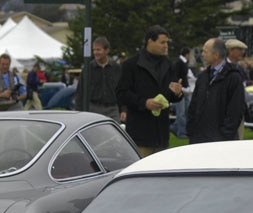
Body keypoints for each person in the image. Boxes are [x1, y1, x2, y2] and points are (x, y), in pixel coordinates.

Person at [117, 25, 185, 156]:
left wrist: (178, 93)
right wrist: (144, 103)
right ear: (150, 41)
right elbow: (121, 93)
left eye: (167, 43)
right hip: (140, 134)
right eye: (162, 42)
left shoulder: (169, 64)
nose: (166, 46)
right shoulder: (131, 65)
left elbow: (171, 95)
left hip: (161, 135)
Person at [186, 38, 246, 144]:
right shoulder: (203, 77)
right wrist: (191, 130)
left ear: (216, 55)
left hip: (221, 143)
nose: (202, 55)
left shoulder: (233, 77)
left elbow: (235, 111)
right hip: (199, 140)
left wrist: (225, 135)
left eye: (205, 51)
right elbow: (194, 106)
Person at [75, 36, 122, 120]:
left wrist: (124, 109)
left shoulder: (116, 68)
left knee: (114, 132)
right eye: (94, 50)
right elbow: (80, 91)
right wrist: (79, 111)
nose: (96, 52)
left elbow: (122, 89)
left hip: (112, 109)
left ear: (107, 50)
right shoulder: (88, 68)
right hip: (93, 108)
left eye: (98, 50)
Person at [170, 46, 193, 139]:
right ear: (187, 54)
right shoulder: (179, 64)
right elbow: (176, 77)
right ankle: (181, 132)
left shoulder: (182, 63)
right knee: (181, 112)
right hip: (181, 90)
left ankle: (175, 127)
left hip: (185, 89)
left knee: (186, 111)